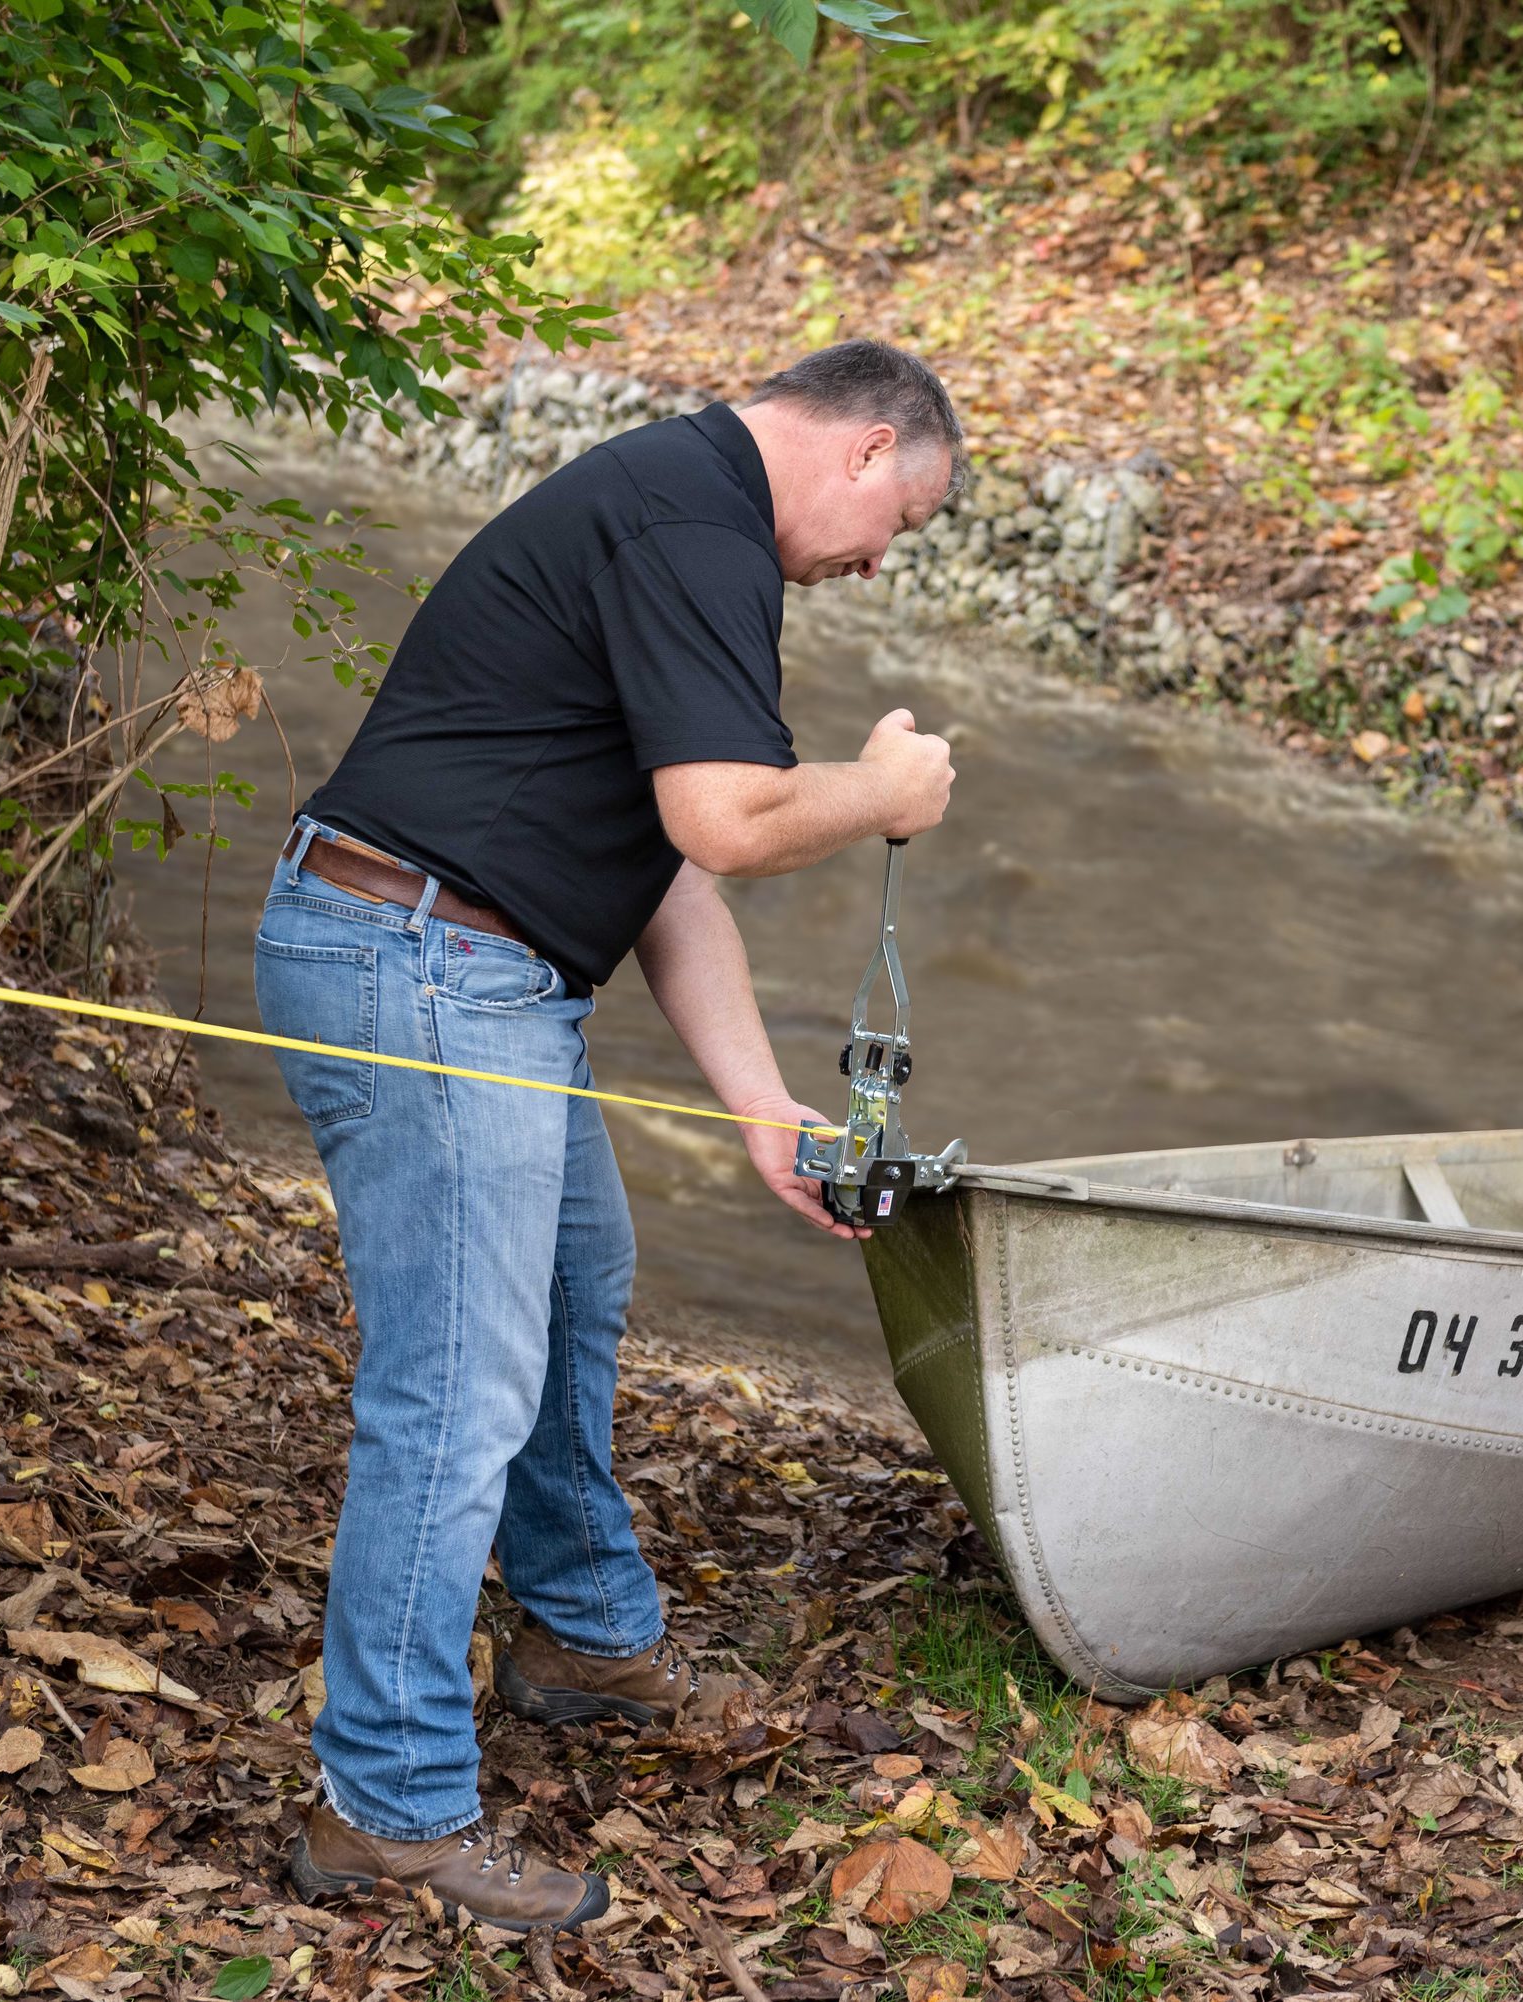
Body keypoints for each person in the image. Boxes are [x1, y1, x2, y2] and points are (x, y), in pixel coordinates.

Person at [255, 340, 963, 1930]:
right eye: (896, 525)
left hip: (466, 961)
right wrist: (882, 784)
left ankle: (580, 1636)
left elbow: (670, 866)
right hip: (419, 954)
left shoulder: (683, 511)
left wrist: (763, 1103)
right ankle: (387, 1803)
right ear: (863, 450)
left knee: (579, 1279)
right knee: (458, 1382)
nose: (872, 565)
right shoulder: (695, 526)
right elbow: (735, 816)